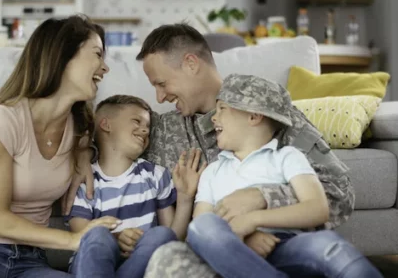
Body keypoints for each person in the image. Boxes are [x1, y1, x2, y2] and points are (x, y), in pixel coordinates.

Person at [131, 23, 355, 277]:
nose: (159, 98)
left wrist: (262, 198)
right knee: (167, 260)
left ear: (191, 64)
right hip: (211, 252)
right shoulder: (161, 130)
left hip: (279, 247)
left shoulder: (262, 109)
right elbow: (107, 147)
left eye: (162, 83)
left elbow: (339, 194)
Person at [0, 15, 120, 278]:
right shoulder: (2, 121)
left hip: (28, 259)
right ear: (62, 56)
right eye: (97, 54)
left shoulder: (79, 126)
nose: (105, 67)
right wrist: (74, 240)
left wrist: (85, 155)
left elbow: (103, 141)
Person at [186, 74, 383, 278]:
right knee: (201, 226)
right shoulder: (212, 171)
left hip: (286, 246)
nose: (213, 117)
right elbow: (202, 229)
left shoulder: (287, 156)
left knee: (328, 245)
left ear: (253, 116)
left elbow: (318, 209)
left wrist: (252, 220)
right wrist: (246, 238)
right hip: (233, 250)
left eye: (222, 109)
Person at [66, 95, 206, 278]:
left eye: (147, 126)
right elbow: (80, 236)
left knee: (161, 235)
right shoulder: (85, 179)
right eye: (137, 121)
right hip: (93, 266)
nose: (144, 130)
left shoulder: (155, 175)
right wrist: (117, 238)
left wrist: (185, 197)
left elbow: (173, 239)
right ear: (106, 125)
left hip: (141, 263)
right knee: (98, 235)